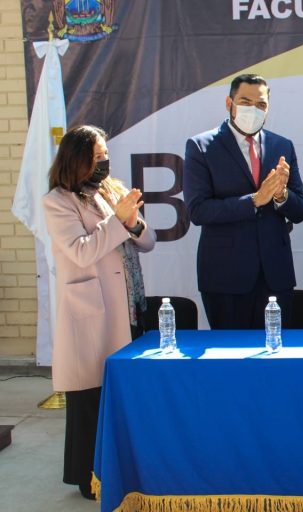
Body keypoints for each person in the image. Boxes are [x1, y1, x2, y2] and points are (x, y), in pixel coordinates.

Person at [42, 125, 156, 499]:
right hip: (92, 310)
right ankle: (87, 477)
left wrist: (132, 222)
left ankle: (121, 468)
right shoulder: (58, 201)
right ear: (76, 159)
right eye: (96, 155)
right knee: (90, 396)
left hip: (126, 304)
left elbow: (147, 239)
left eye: (105, 154)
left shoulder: (112, 190)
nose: (103, 161)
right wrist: (117, 222)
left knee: (121, 392)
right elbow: (81, 250)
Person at [183, 74, 303, 329]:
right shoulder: (201, 146)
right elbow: (198, 210)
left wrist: (280, 195)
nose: (253, 109)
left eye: (261, 104)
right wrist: (255, 200)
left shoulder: (282, 145)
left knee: (275, 359)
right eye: (245, 101)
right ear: (229, 103)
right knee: (230, 361)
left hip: (276, 276)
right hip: (225, 278)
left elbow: (301, 210)